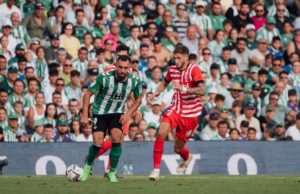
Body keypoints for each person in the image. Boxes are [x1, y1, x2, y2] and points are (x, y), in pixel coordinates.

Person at [81, 55, 143, 182]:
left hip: (117, 112)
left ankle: (111, 172)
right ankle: (86, 169)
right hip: (100, 112)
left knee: (117, 140)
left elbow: (138, 98)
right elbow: (88, 94)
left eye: (125, 68)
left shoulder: (135, 80)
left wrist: (129, 114)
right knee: (97, 144)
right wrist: (85, 116)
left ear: (129, 68)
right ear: (116, 65)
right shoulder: (104, 77)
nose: (122, 70)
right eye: (120, 67)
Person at [149, 44, 205, 180]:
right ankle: (156, 170)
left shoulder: (194, 70)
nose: (176, 61)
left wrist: (184, 89)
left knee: (178, 148)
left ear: (186, 57)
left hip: (191, 114)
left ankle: (187, 157)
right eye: (175, 58)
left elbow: (202, 90)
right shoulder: (172, 70)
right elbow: (164, 82)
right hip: (175, 108)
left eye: (179, 58)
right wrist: (156, 92)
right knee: (161, 132)